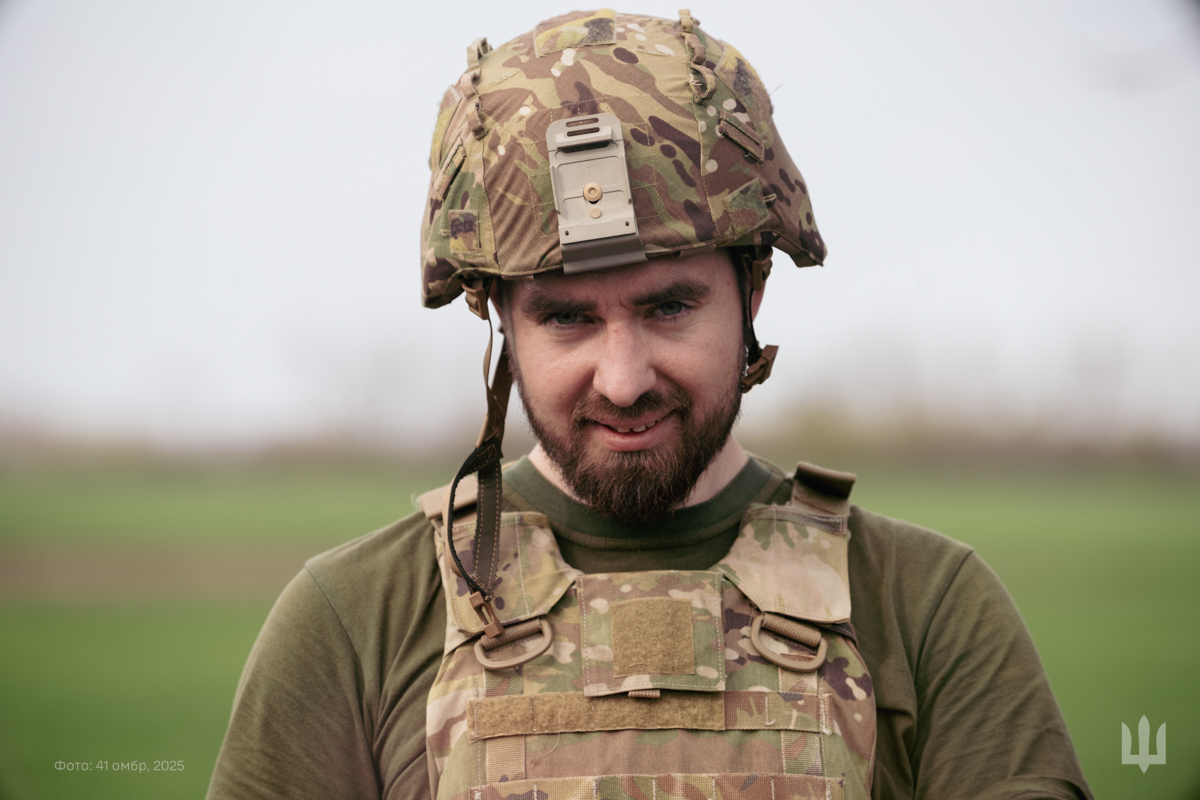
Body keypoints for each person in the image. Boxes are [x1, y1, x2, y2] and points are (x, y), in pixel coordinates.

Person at [207, 10, 1092, 800]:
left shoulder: (924, 609)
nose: (623, 379)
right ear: (499, 317)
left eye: (669, 307)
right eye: (566, 318)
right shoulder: (357, 620)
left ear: (752, 292)